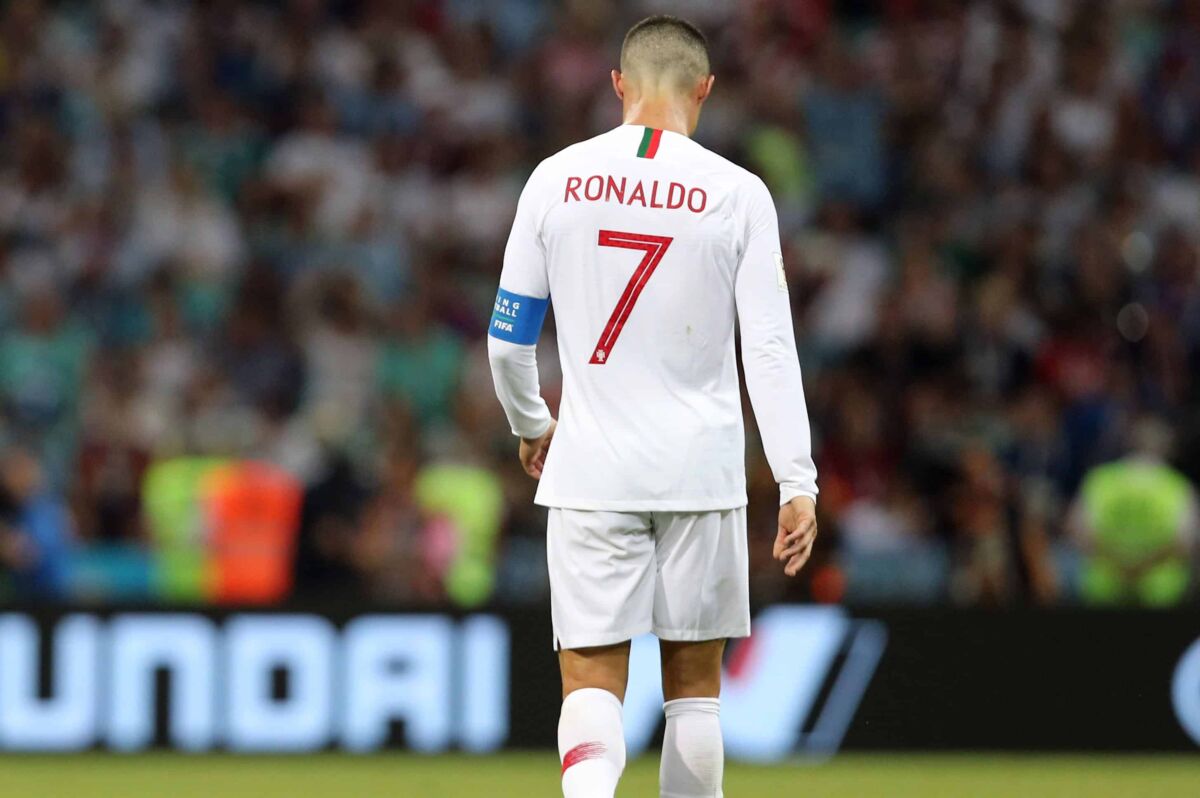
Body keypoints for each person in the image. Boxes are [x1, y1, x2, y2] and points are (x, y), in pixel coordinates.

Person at [487, 15, 818, 798]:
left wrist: (533, 426)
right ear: (705, 90)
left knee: (592, 689)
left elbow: (506, 344)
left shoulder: (554, 179)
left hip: (591, 466)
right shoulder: (740, 193)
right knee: (695, 697)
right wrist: (796, 477)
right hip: (700, 473)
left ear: (617, 86)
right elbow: (768, 350)